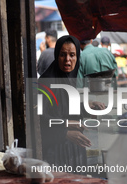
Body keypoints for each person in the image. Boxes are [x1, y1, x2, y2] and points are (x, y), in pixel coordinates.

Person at [39, 35, 93, 169]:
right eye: (63, 55)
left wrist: (87, 107)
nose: (67, 60)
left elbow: (64, 109)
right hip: (55, 151)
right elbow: (40, 119)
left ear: (77, 57)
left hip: (74, 149)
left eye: (72, 55)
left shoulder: (70, 78)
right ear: (57, 56)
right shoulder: (47, 82)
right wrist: (65, 133)